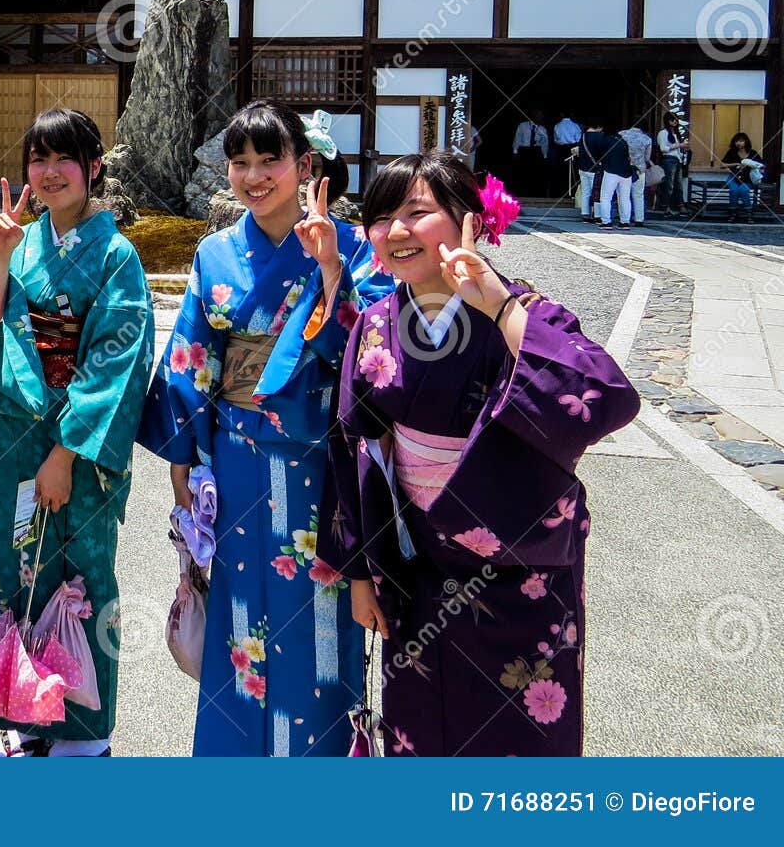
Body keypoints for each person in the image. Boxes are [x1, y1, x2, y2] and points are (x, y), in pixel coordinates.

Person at [322, 152, 638, 755]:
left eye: (417, 213)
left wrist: (499, 306)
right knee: (422, 729)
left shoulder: (523, 311)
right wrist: (360, 572)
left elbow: (603, 398)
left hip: (520, 575)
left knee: (521, 738)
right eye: (380, 217)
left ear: (470, 219)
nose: (395, 231)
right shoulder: (375, 324)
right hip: (417, 574)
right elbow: (352, 447)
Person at [139, 102, 394, 755]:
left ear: (304, 165)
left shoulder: (354, 245)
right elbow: (191, 364)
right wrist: (182, 478)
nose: (254, 176)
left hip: (323, 468)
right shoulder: (215, 253)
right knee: (240, 624)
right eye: (240, 162)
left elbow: (377, 350)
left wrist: (333, 272)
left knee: (321, 628)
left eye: (269, 160)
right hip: (237, 463)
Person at [0, 109, 154, 757]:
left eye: (64, 158)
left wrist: (65, 454)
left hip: (74, 455)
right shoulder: (24, 241)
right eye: (38, 158)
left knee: (79, 579)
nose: (48, 172)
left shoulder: (116, 257)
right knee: (7, 575)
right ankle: (21, 712)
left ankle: (80, 734)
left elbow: (117, 364)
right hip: (12, 441)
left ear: (94, 167)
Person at [596, 130, 635, 230]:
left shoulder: (605, 140)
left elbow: (600, 155)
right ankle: (625, 222)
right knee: (625, 198)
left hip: (610, 171)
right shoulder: (623, 141)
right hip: (626, 172)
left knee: (605, 197)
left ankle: (606, 222)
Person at [722, 132, 763, 223]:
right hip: (733, 177)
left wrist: (750, 164)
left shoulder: (753, 153)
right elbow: (723, 165)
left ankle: (749, 213)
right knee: (734, 190)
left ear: (746, 142)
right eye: (737, 141)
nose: (739, 143)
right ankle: (733, 213)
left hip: (748, 178)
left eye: (741, 141)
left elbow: (761, 165)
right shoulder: (732, 152)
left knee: (743, 190)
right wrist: (737, 164)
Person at [619, 121, 653, 227]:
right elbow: (647, 158)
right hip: (639, 169)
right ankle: (639, 219)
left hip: (623, 168)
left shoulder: (622, 134)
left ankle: (624, 218)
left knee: (623, 195)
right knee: (638, 195)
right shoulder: (647, 139)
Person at [656, 114, 690, 216]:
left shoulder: (676, 133)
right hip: (668, 159)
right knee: (669, 185)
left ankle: (680, 205)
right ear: (667, 121)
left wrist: (683, 149)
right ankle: (666, 206)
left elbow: (676, 148)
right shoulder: (663, 133)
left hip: (677, 159)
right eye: (672, 120)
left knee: (678, 185)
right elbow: (663, 148)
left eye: (676, 119)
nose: (675, 121)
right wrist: (679, 145)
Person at [576, 121, 609, 222]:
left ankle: (585, 213)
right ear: (598, 126)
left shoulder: (583, 136)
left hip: (583, 168)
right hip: (596, 169)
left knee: (586, 192)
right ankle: (597, 214)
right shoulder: (600, 136)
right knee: (597, 191)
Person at [511, 115, 549, 197]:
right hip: (524, 150)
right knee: (524, 172)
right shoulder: (522, 125)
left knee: (535, 174)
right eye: (538, 115)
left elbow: (545, 143)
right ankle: (522, 193)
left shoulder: (542, 129)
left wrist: (545, 156)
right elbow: (517, 138)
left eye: (541, 116)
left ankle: (534, 194)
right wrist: (515, 151)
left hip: (536, 151)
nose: (540, 118)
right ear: (533, 116)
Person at [551, 113, 582, 198]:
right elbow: (578, 139)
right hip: (572, 150)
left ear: (561, 114)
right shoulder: (575, 126)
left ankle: (561, 192)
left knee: (561, 172)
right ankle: (572, 192)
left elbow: (556, 140)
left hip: (561, 150)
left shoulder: (557, 126)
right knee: (573, 172)